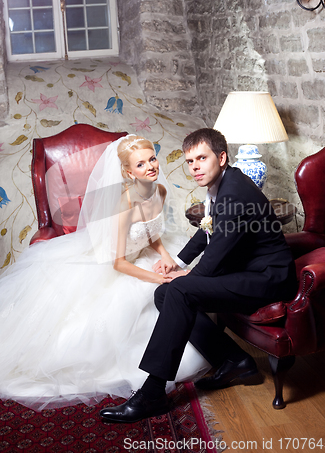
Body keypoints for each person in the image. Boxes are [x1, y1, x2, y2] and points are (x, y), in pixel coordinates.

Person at [100, 128, 297, 423]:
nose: (194, 167)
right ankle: (234, 360)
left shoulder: (234, 193)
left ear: (221, 157)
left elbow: (215, 257)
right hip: (248, 270)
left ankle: (152, 392)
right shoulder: (222, 183)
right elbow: (207, 229)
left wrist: (186, 277)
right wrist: (177, 263)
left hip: (268, 279)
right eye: (190, 161)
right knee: (165, 291)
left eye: (202, 158)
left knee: (177, 291)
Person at [0, 134, 209, 411]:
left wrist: (166, 256)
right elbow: (118, 263)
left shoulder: (160, 191)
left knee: (185, 290)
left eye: (152, 159)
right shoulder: (122, 205)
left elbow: (152, 231)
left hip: (143, 254)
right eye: (140, 164)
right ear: (127, 172)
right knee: (146, 298)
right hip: (115, 261)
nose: (150, 167)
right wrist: (160, 277)